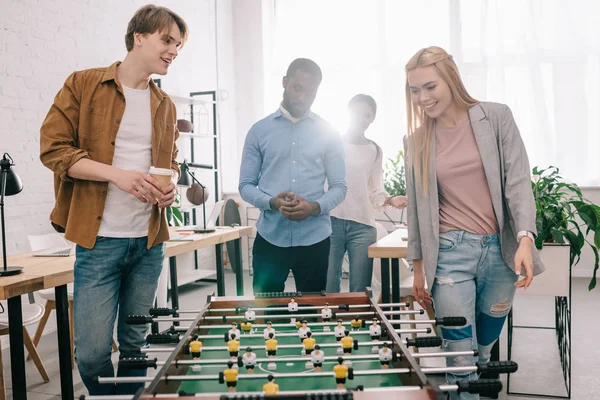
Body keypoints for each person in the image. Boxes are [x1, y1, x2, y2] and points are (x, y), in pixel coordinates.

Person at [39, 5, 188, 395]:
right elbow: (53, 150)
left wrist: (169, 184)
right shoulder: (83, 84)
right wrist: (116, 174)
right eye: (167, 40)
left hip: (149, 242)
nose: (174, 50)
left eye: (178, 45)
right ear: (139, 36)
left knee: (136, 346)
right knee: (90, 353)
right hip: (99, 242)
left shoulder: (165, 104)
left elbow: (167, 162)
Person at [403, 46, 544, 399]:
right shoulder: (417, 141)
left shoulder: (495, 117)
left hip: (500, 251)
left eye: (429, 87)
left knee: (483, 346)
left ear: (451, 78)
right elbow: (419, 212)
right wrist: (419, 269)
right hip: (450, 253)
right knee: (459, 353)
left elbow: (517, 181)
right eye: (414, 90)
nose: (422, 98)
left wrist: (525, 237)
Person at [239, 58, 347, 293]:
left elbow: (340, 187)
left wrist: (314, 207)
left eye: (311, 92)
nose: (303, 97)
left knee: (313, 316)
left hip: (315, 240)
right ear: (285, 82)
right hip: (270, 239)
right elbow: (246, 185)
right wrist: (272, 202)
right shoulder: (259, 131)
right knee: (266, 315)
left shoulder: (329, 133)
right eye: (298, 88)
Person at [326, 94, 407, 293]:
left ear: (372, 119)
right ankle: (329, 323)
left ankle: (359, 324)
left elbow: (374, 190)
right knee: (327, 286)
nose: (361, 119)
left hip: (363, 226)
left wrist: (390, 199)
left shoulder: (375, 150)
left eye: (366, 115)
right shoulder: (330, 145)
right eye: (356, 113)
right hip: (330, 222)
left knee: (360, 290)